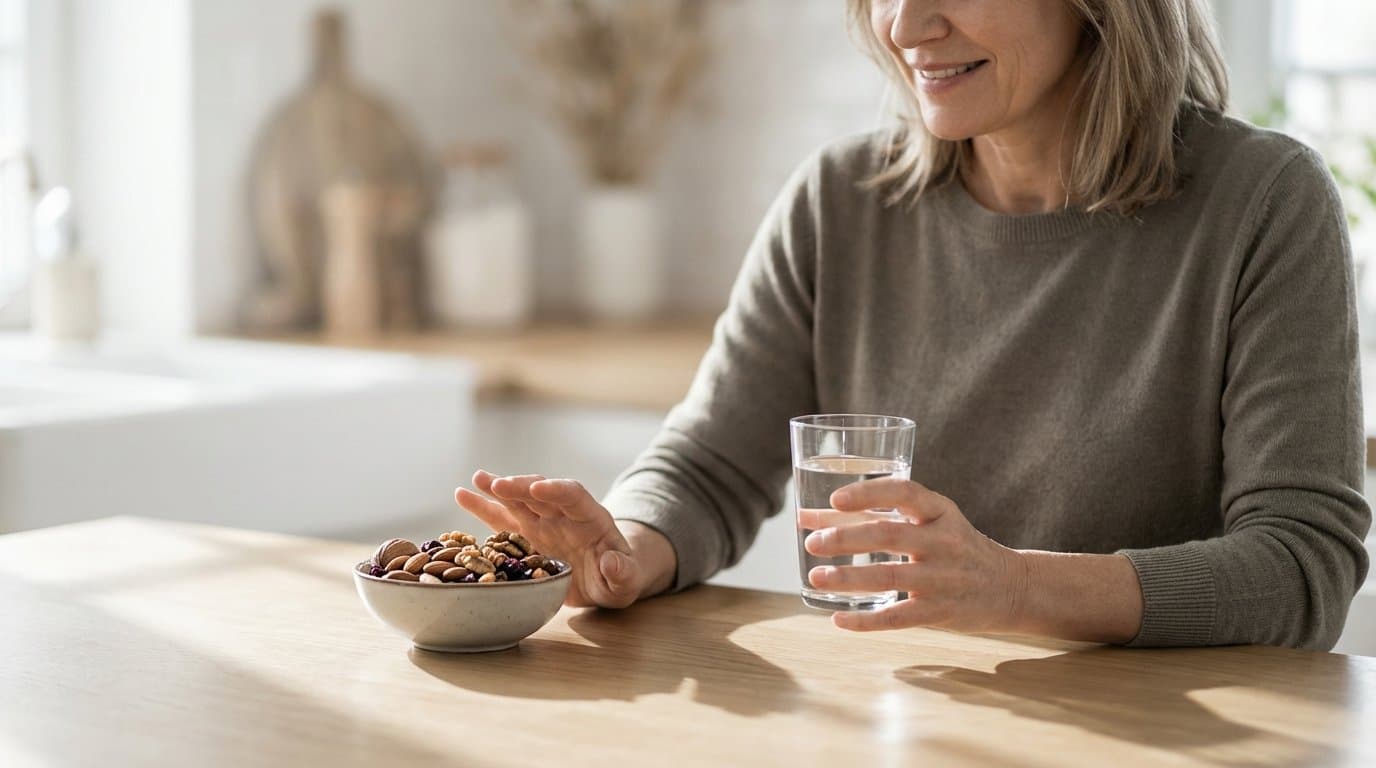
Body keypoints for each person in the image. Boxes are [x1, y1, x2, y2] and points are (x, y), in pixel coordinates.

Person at [456, 0, 1370, 650]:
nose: (904, 24)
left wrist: (1012, 585)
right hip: (905, 725)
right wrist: (626, 550)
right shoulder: (839, 201)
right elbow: (707, 467)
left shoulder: (1263, 204)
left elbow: (1302, 566)